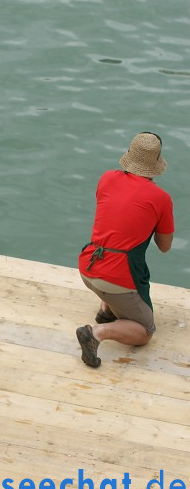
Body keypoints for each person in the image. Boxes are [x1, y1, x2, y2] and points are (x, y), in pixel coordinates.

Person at [76, 132, 174, 368]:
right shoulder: (161, 198)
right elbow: (164, 246)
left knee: (114, 244)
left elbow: (116, 218)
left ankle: (106, 308)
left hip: (87, 267)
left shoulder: (107, 178)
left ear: (129, 155)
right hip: (116, 279)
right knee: (145, 331)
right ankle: (97, 332)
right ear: (157, 162)